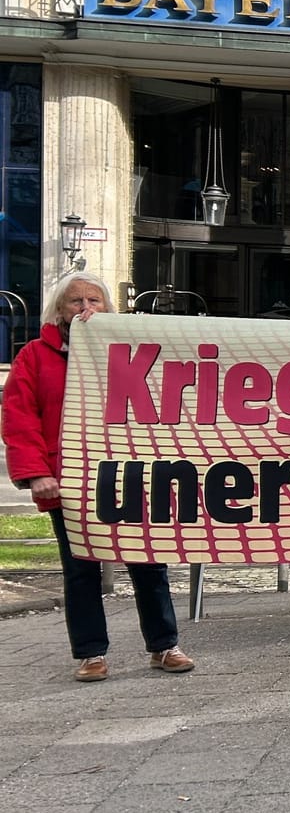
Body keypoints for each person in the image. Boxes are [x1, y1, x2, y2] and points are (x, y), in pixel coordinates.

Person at [3, 271, 193, 682]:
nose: (87, 309)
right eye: (76, 302)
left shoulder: (130, 351)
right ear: (59, 310)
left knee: (147, 561)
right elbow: (20, 419)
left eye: (95, 300)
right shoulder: (34, 357)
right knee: (80, 567)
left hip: (129, 473)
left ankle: (164, 645)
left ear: (109, 307)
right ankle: (91, 654)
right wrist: (36, 474)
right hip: (68, 478)